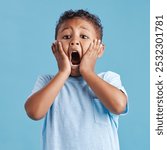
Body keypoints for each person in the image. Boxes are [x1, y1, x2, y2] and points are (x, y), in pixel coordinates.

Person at [24, 9, 128, 150]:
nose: (74, 42)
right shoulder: (47, 82)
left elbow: (119, 105)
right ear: (55, 47)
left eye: (84, 36)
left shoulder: (108, 78)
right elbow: (34, 112)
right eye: (66, 37)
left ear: (99, 49)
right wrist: (63, 72)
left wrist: (88, 72)